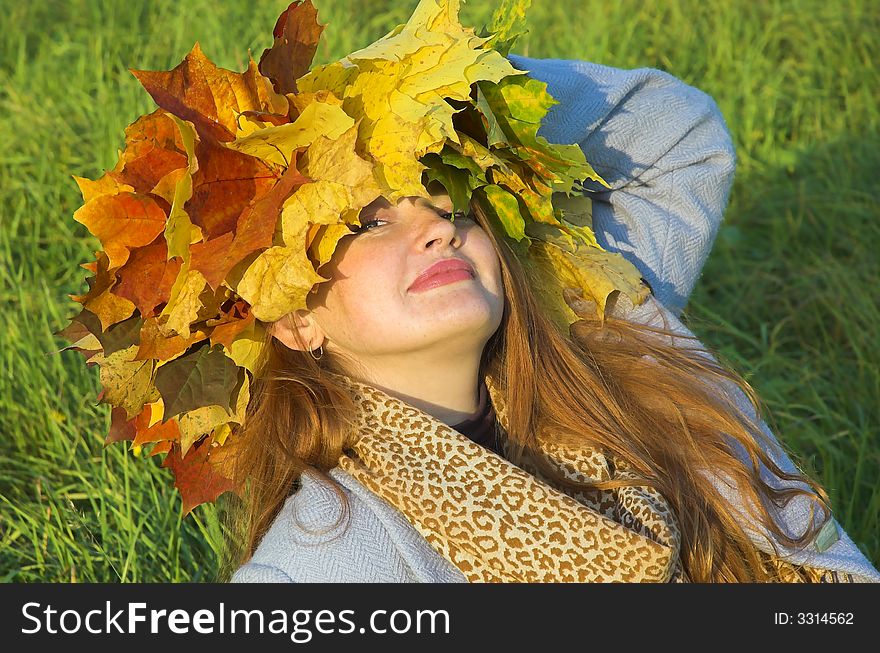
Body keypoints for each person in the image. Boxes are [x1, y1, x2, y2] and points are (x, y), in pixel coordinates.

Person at [63, 0, 879, 583]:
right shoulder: (334, 557)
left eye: (446, 198)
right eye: (369, 222)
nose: (436, 226)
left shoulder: (607, 324)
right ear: (294, 319)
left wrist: (445, 103)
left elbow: (678, 134)